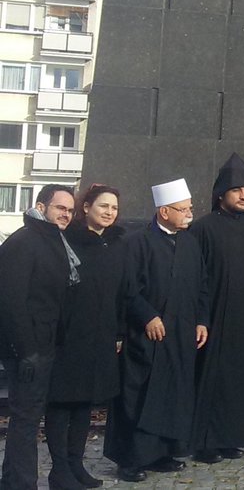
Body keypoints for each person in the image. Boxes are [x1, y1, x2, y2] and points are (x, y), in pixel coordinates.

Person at [104, 179, 209, 483]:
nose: (190, 215)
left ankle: (163, 452)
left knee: (173, 394)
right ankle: (131, 459)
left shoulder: (190, 242)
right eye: (184, 210)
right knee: (138, 396)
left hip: (181, 334)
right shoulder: (136, 243)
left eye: (191, 209)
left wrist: (202, 320)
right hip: (147, 336)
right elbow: (128, 287)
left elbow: (203, 285)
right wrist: (148, 316)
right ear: (164, 212)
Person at [190, 154, 244, 464]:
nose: (243, 196)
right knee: (210, 376)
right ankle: (205, 441)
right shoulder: (203, 228)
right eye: (237, 190)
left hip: (243, 313)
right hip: (212, 313)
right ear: (221, 193)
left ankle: (230, 437)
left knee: (238, 379)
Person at [45, 185, 124, 489]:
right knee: (61, 402)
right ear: (87, 207)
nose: (109, 212)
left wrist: (118, 331)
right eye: (103, 206)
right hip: (68, 335)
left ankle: (76, 464)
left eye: (114, 208)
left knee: (84, 404)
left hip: (100, 335)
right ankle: (58, 469)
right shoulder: (68, 240)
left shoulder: (116, 244)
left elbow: (120, 292)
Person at [0, 184, 76, 490]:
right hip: (28, 346)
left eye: (70, 210)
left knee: (28, 416)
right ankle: (20, 483)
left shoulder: (52, 240)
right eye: (60, 208)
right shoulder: (25, 241)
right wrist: (26, 350)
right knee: (25, 419)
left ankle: (13, 480)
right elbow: (11, 299)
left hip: (44, 341)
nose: (66, 215)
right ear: (41, 206)